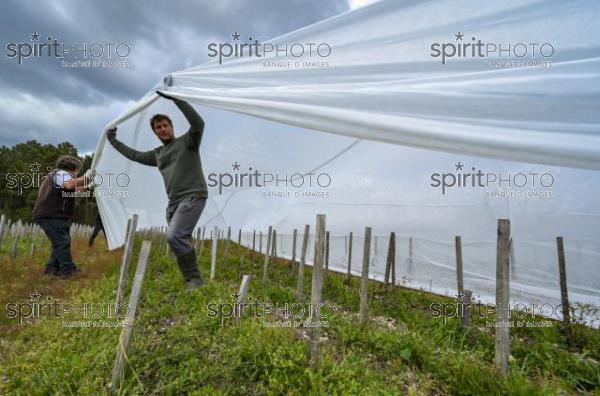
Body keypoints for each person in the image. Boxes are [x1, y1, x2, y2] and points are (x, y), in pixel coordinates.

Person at [106, 91, 208, 291]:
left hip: (193, 195)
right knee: (180, 238)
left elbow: (199, 124)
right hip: (173, 202)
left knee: (174, 236)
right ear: (155, 132)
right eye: (158, 128)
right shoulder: (158, 154)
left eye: (165, 125)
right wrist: (113, 142)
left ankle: (194, 280)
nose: (162, 129)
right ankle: (192, 279)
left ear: (171, 127)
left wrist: (177, 99)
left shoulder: (188, 142)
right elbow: (135, 155)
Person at [33, 155, 90, 278]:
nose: (77, 174)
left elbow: (71, 190)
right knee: (62, 242)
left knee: (59, 242)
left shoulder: (56, 176)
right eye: (77, 171)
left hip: (50, 214)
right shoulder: (61, 174)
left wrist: (88, 187)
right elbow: (70, 185)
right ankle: (68, 271)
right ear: (73, 168)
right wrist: (87, 177)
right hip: (51, 214)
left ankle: (51, 269)